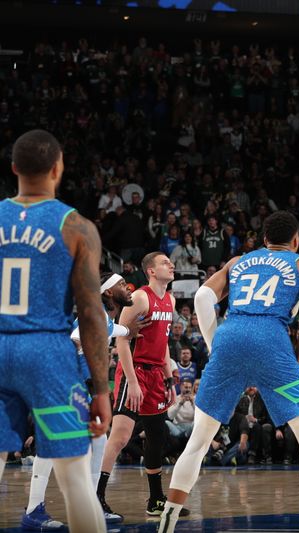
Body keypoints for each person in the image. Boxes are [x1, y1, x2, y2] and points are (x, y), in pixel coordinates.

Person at [157, 211, 299, 533]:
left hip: (230, 336)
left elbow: (202, 296)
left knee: (197, 442)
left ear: (264, 240)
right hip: (273, 344)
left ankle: (166, 524)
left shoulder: (239, 261)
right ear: (296, 241)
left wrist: (214, 346)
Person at [0, 129, 108, 532]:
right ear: (57, 168)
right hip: (47, 350)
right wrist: (100, 388)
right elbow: (92, 314)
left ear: (14, 169)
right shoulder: (76, 226)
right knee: (75, 480)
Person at [23, 272, 150, 529]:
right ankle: (33, 511)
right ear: (107, 293)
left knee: (98, 441)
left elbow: (116, 330)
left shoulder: (105, 319)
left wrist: (130, 329)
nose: (128, 288)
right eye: (122, 285)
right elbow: (73, 342)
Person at [97, 252, 182, 520]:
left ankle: (156, 499)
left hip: (157, 374)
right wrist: (132, 383)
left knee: (157, 437)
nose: (171, 264)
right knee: (121, 436)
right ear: (151, 271)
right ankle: (96, 497)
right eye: (165, 262)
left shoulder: (170, 299)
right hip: (134, 372)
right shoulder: (141, 298)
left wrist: (168, 377)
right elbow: (121, 340)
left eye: (170, 261)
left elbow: (164, 342)